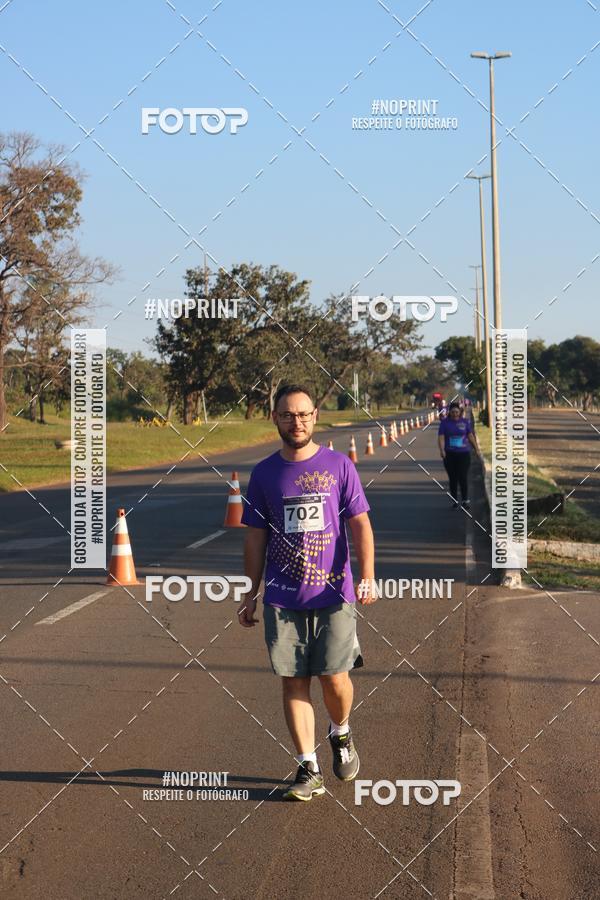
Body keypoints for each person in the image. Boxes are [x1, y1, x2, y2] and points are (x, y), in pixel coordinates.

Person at [240, 384, 376, 801]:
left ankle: (341, 732)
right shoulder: (264, 473)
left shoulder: (339, 466)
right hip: (282, 597)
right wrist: (250, 591)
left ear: (315, 416)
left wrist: (367, 575)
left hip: (335, 594)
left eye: (303, 414)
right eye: (286, 414)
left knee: (335, 678)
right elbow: (255, 537)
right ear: (274, 418)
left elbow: (360, 524)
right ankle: (307, 767)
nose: (295, 422)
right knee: (293, 682)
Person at [437, 402, 481, 509]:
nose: (455, 414)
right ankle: (455, 501)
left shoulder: (465, 422)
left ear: (460, 412)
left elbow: (470, 436)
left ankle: (465, 500)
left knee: (462, 477)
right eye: (452, 412)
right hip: (449, 455)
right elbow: (441, 437)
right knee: (453, 478)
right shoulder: (444, 423)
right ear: (449, 413)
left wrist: (476, 448)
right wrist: (442, 450)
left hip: (463, 454)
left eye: (456, 412)